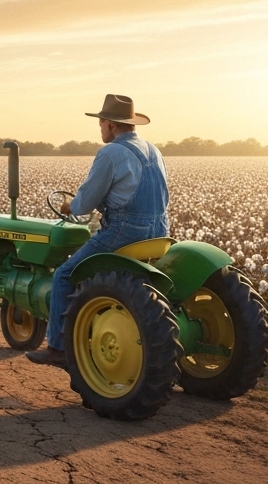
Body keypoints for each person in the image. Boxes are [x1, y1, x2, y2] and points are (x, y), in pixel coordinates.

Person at [26, 94, 170, 368]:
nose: (101, 129)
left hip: (126, 231)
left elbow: (86, 201)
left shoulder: (111, 153)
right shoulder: (154, 150)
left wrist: (71, 206)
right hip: (160, 231)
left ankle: (57, 347)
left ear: (111, 125)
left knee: (64, 274)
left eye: (101, 124)